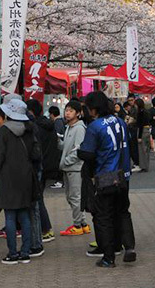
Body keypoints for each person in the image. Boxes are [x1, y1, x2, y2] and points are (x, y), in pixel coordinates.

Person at [79, 91, 136, 268]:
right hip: (123, 174)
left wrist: (79, 151)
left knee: (103, 216)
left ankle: (108, 257)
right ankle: (129, 248)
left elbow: (88, 153)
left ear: (93, 109)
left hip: (105, 176)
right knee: (123, 212)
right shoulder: (119, 121)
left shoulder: (95, 127)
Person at [0, 99, 38, 265]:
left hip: (7, 177)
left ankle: (12, 253)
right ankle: (25, 253)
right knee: (24, 215)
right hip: (26, 177)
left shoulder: (4, 131)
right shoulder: (30, 130)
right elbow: (36, 155)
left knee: (10, 216)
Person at [58, 100, 90, 236]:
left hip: (75, 168)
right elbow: (65, 146)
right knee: (71, 197)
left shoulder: (79, 128)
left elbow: (78, 150)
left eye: (71, 111)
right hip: (68, 167)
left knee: (75, 197)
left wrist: (65, 161)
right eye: (66, 110)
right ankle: (83, 223)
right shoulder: (69, 127)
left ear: (78, 113)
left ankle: (77, 225)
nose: (67, 113)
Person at [26, 99, 56, 241]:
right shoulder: (48, 125)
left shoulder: (35, 127)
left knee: (37, 200)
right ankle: (45, 229)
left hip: (39, 166)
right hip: (48, 165)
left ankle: (45, 229)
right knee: (39, 198)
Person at [136, 99, 151, 172]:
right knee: (147, 149)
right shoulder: (147, 112)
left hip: (142, 131)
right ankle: (146, 165)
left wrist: (139, 136)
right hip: (147, 130)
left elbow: (140, 124)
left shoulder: (140, 113)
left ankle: (143, 166)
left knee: (142, 149)